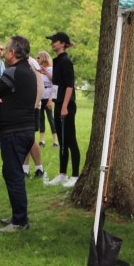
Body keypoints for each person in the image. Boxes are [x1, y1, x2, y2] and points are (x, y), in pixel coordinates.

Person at [0, 36, 38, 232]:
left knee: (14, 174)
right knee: (12, 173)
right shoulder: (29, 71)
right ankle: (18, 215)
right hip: (26, 130)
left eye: (6, 50)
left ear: (12, 53)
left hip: (14, 132)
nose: (4, 53)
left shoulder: (13, 71)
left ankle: (20, 221)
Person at [46, 32, 80, 188]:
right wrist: (51, 100)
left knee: (71, 140)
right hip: (59, 104)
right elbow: (57, 83)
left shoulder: (66, 61)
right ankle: (62, 174)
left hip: (67, 105)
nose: (52, 43)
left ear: (63, 43)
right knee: (62, 141)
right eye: (52, 41)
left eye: (55, 41)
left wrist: (65, 106)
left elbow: (69, 86)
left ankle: (75, 176)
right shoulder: (57, 61)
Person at [35, 51, 58, 148]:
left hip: (49, 96)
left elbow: (55, 83)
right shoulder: (37, 69)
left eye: (38, 57)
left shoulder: (51, 69)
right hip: (40, 97)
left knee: (50, 119)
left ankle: (56, 141)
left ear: (44, 58)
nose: (36, 59)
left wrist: (51, 99)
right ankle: (42, 140)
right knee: (41, 119)